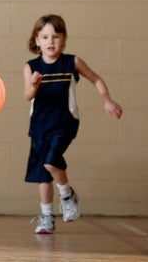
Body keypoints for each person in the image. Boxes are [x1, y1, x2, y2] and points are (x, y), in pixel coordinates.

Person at [23, 14, 123, 234]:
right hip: (40, 126)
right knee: (43, 175)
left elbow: (96, 79)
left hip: (64, 123)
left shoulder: (72, 62)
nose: (51, 41)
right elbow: (27, 96)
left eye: (56, 36)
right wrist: (33, 85)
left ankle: (67, 196)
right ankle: (47, 216)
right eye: (45, 37)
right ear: (37, 40)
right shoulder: (31, 67)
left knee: (50, 162)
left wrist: (106, 100)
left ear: (64, 39)